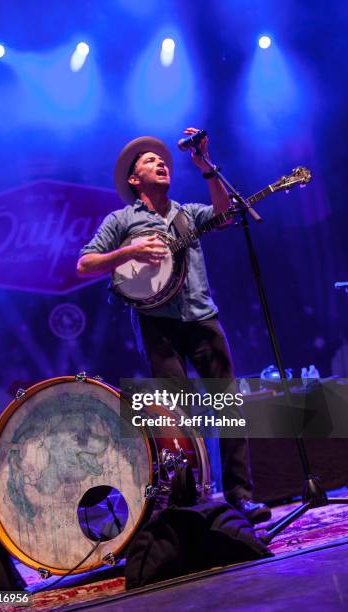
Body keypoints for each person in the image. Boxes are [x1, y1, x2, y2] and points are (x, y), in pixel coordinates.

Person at [77, 128, 271, 524]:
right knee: (176, 418)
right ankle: (188, 501)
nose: (160, 162)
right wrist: (131, 250)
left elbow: (222, 216)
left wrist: (205, 166)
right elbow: (85, 264)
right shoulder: (122, 219)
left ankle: (240, 495)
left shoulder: (187, 214)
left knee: (227, 408)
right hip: (156, 325)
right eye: (149, 161)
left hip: (202, 317)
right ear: (134, 180)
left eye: (162, 159)